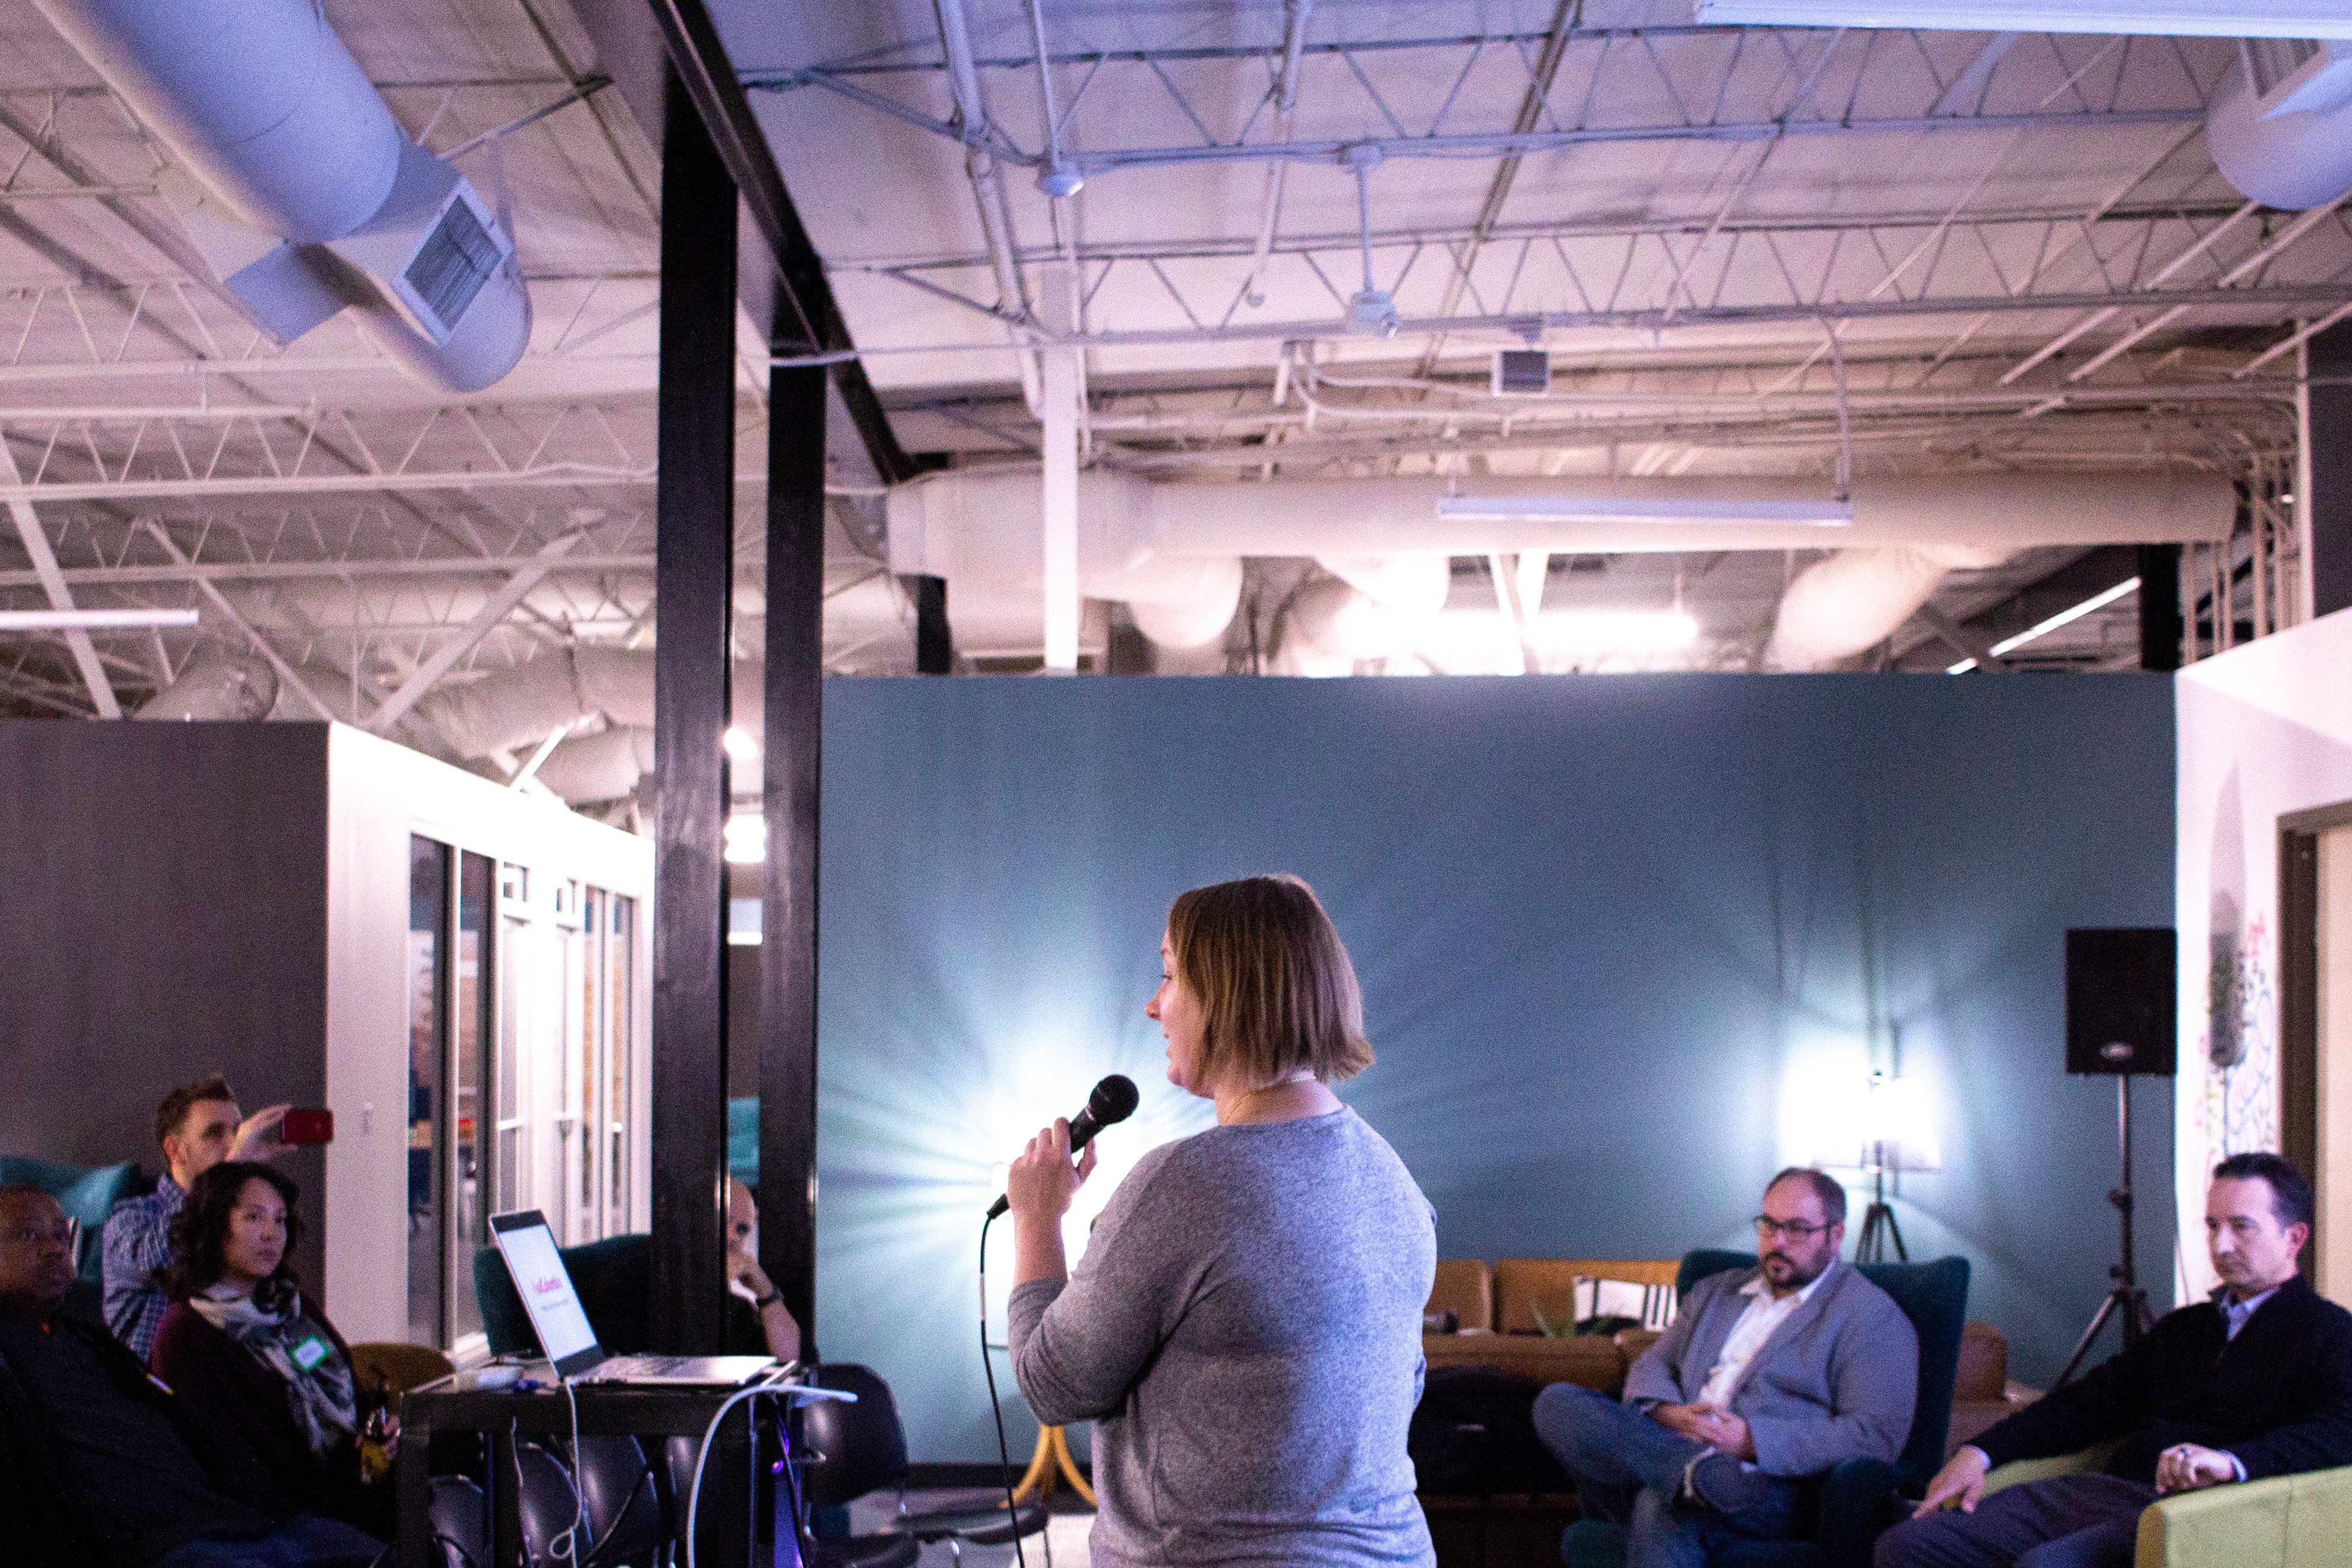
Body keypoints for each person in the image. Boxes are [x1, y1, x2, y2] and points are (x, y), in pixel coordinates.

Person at [1006, 874, 1437, 1568]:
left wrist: (1035, 1219)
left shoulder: (1183, 1185)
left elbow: (1053, 1385)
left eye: (1170, 975)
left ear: (1228, 994)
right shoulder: (1396, 1183)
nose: (1153, 1005)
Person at [1877, 1152, 2352, 1568]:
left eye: (2241, 1227)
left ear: (2294, 1238)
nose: (2221, 1246)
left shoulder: (2328, 1332)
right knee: (1907, 1545)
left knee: (2049, 1565)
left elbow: (2341, 1429)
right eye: (2213, 1226)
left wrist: (2230, 1462)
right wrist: (1979, 1451)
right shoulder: (2185, 1328)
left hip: (2201, 1514)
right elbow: (2084, 1405)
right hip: (2108, 1492)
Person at [1532, 1168, 1920, 1568]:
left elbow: (1873, 1435)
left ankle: (1692, 1479)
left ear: (1835, 1235)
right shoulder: (1715, 1292)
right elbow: (1653, 1366)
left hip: (1764, 1487)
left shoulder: (1869, 1317)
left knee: (1659, 1507)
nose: (1778, 1241)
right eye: (1769, 1225)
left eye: (1798, 1229)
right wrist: (1671, 1417)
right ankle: (1688, 1473)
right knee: (1554, 1402)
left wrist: (1749, 1441)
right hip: (1668, 1446)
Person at [0, 1184, 384, 1568]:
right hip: (156, 1543)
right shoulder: (183, 1331)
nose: (54, 1248)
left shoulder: (89, 1339)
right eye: (29, 1234)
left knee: (391, 1554)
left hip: (235, 1515)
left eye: (61, 1234)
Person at [148, 1162, 389, 1538]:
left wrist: (383, 1429)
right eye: (253, 1218)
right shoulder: (187, 1334)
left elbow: (351, 1390)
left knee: (462, 1454)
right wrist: (349, 1475)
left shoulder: (290, 1305)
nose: (271, 1234)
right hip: (285, 1516)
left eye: (280, 1221)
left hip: (359, 1478)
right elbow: (226, 1463)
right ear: (215, 1225)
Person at [105, 1075, 290, 1362]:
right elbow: (152, 1263)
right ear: (176, 1150)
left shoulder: (242, 1214)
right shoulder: (131, 1216)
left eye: (237, 1131)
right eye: (215, 1133)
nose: (233, 1143)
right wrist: (229, 1170)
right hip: (156, 1387)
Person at [723, 1177, 802, 1363]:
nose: (732, 1236)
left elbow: (789, 1362)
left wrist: (766, 1291)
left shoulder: (740, 1311)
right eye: (725, 1220)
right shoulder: (649, 1280)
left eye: (742, 1229)